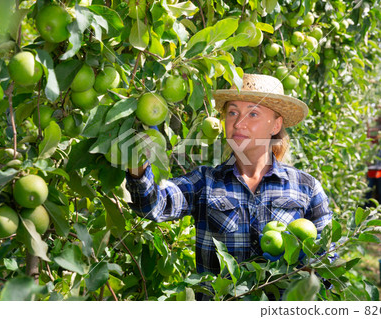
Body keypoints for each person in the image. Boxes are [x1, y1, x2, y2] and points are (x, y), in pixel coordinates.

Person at [125, 74, 333, 297]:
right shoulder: (206, 182)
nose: (239, 123)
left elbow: (328, 265)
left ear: (276, 124)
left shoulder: (306, 188)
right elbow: (152, 205)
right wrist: (138, 163)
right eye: (233, 112)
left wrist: (307, 263)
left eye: (253, 114)